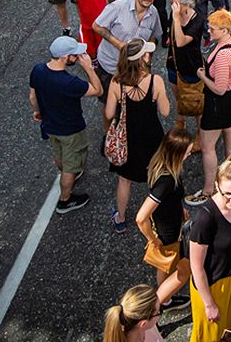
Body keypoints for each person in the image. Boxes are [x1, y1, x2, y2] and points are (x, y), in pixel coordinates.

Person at [188, 154, 231, 342]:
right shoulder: (205, 218)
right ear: (217, 186)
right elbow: (196, 267)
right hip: (212, 284)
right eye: (228, 193)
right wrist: (209, 304)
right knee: (210, 336)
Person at [29, 36, 102, 214]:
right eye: (75, 55)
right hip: (70, 128)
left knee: (58, 152)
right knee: (71, 163)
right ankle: (65, 199)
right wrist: (89, 69)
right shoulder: (69, 83)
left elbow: (32, 96)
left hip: (50, 125)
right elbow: (98, 90)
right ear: (65, 58)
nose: (78, 57)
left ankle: (68, 174)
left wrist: (38, 111)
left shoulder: (38, 70)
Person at [105, 38, 170, 233]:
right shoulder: (155, 81)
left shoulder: (117, 83)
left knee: (125, 180)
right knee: (157, 176)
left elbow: (109, 114)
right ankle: (157, 215)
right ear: (142, 59)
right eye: (147, 53)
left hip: (128, 138)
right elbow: (165, 111)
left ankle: (121, 218)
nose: (150, 55)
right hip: (152, 137)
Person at [135, 128, 194, 309]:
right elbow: (140, 217)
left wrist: (179, 208)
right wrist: (153, 240)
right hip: (169, 232)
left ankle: (166, 299)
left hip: (166, 223)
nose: (190, 154)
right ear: (177, 153)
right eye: (188, 152)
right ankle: (159, 303)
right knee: (177, 268)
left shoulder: (160, 163)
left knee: (164, 265)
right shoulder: (166, 181)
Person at [192, 9, 231, 203]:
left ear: (224, 30)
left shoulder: (222, 56)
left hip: (217, 104)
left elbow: (219, 89)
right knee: (229, 131)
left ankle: (209, 188)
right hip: (230, 101)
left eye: (212, 29)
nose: (209, 32)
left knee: (207, 147)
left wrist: (202, 76)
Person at [92, 0, 163, 88]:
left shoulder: (154, 13)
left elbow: (153, 37)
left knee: (131, 102)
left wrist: (147, 62)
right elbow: (96, 26)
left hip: (135, 69)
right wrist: (120, 45)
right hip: (111, 66)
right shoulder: (118, 7)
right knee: (109, 101)